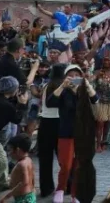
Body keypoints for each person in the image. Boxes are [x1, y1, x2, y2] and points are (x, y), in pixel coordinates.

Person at [46, 64, 98, 203]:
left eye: (77, 75)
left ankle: (76, 195)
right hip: (66, 132)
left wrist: (87, 85)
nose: (74, 78)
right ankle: (60, 190)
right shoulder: (63, 91)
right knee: (66, 165)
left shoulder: (84, 91)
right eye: (71, 75)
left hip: (82, 133)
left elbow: (96, 100)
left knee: (79, 166)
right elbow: (50, 102)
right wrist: (63, 85)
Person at [38, 64, 64, 199]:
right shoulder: (61, 87)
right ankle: (67, 186)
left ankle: (46, 187)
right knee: (64, 158)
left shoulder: (47, 85)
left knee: (45, 158)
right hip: (59, 123)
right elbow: (50, 103)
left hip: (45, 123)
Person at [0, 133, 36, 203]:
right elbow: (32, 177)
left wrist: (6, 197)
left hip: (24, 199)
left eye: (10, 150)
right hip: (29, 196)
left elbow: (24, 182)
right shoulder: (29, 160)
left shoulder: (21, 164)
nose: (9, 153)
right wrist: (33, 189)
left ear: (18, 150)